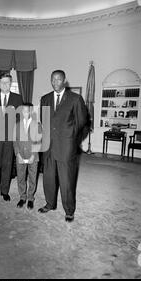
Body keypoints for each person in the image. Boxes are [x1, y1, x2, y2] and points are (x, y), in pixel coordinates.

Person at [39, 70, 88, 222]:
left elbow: (81, 122)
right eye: (52, 79)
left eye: (58, 79)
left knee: (66, 180)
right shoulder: (45, 99)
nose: (55, 82)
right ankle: (49, 203)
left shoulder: (75, 99)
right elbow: (44, 120)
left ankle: (69, 210)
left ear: (64, 81)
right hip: (48, 146)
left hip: (66, 146)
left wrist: (71, 138)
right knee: (48, 177)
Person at [0, 73, 23, 202]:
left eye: (7, 82)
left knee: (7, 164)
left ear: (10, 83)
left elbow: (20, 118)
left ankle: (5, 191)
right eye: (2, 82)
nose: (5, 85)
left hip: (10, 137)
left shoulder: (17, 98)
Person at [13, 103, 42, 210]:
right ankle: (22, 197)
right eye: (23, 111)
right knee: (21, 177)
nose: (25, 113)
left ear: (30, 112)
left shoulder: (36, 125)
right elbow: (15, 141)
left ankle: (30, 198)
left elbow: (38, 142)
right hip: (20, 156)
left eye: (27, 111)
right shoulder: (17, 125)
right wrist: (17, 154)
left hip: (32, 157)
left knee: (32, 177)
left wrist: (33, 155)